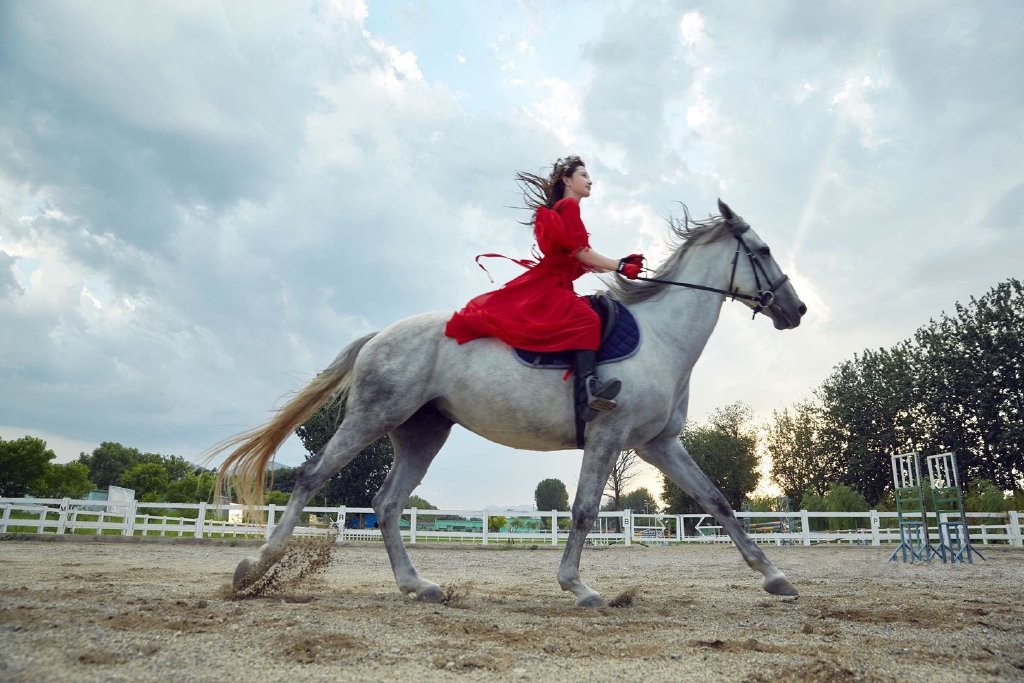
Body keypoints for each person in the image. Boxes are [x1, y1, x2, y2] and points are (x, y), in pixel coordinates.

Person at [445, 156, 644, 420]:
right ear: (567, 180)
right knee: (586, 320)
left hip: (553, 284)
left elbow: (584, 257)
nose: (590, 180)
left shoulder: (566, 208)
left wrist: (619, 264)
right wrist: (619, 265)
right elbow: (582, 252)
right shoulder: (569, 208)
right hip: (550, 287)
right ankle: (589, 391)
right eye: (583, 175)